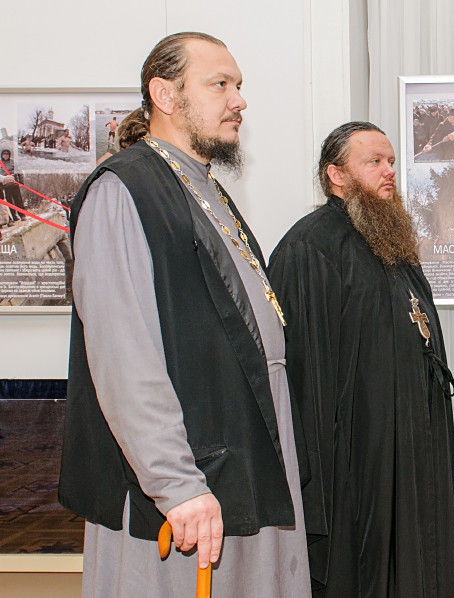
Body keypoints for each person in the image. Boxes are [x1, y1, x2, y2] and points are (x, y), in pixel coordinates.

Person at [57, 32, 311, 598]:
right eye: (220, 84)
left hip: (241, 450)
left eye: (238, 85)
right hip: (187, 479)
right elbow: (124, 355)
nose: (239, 100)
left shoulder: (204, 187)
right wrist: (176, 484)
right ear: (165, 94)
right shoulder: (125, 187)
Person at [268, 121, 454, 597]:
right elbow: (306, 376)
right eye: (374, 161)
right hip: (356, 458)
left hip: (412, 440)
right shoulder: (310, 246)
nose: (388, 170)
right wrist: (318, 486)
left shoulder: (391, 242)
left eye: (390, 161)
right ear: (336, 174)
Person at [1, 149, 26, 224]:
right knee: (9, 201)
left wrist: (21, 182)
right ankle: (13, 216)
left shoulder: (13, 163)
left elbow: (19, 173)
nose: (5, 155)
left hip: (14, 184)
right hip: (4, 185)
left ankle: (22, 215)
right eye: (4, 154)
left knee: (18, 200)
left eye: (7, 154)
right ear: (2, 155)